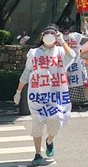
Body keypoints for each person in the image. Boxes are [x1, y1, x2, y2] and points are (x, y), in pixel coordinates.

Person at [13, 25, 76, 166]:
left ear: (57, 35)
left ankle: (49, 141)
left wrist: (62, 41)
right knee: (37, 125)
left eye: (52, 33)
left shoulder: (60, 51)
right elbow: (26, 73)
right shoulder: (34, 52)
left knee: (56, 123)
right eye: (46, 32)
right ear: (42, 36)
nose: (49, 35)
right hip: (37, 96)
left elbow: (72, 56)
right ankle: (37, 154)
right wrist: (18, 91)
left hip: (56, 97)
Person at [60, 16, 88, 110]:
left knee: (64, 83)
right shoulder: (76, 36)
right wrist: (85, 28)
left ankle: (65, 102)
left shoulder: (59, 37)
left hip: (62, 64)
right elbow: (87, 37)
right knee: (75, 83)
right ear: (71, 27)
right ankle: (75, 104)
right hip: (75, 64)